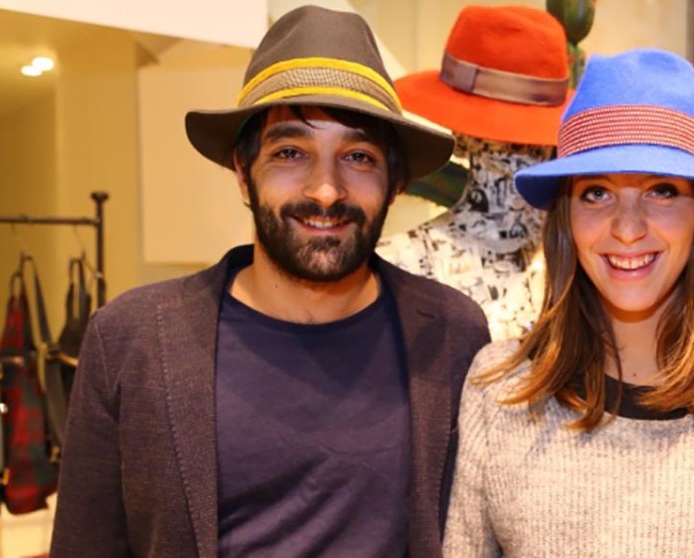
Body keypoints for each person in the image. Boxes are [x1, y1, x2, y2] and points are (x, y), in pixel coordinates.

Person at [50, 6, 490, 558]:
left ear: (394, 180)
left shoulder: (450, 334)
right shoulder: (130, 340)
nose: (326, 190)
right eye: (289, 153)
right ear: (243, 172)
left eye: (358, 156)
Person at [442, 48, 694, 557]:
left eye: (662, 190)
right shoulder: (500, 389)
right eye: (596, 193)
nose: (627, 229)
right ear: (566, 217)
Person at [377, 5, 571, 340]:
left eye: (528, 137)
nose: (519, 148)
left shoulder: (589, 266)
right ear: (462, 138)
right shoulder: (399, 266)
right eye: (498, 136)